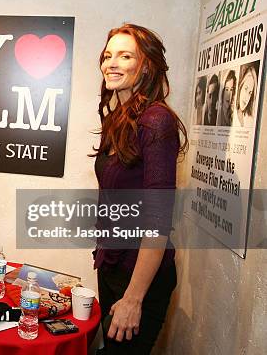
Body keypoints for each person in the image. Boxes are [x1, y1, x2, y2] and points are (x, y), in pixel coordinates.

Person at [92, 24, 187, 354]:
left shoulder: (156, 120)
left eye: (125, 55)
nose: (111, 63)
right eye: (108, 55)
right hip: (112, 264)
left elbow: (157, 220)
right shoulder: (119, 118)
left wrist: (134, 298)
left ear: (146, 65)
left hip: (139, 279)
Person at [235, 61, 259, 128]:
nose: (246, 97)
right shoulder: (232, 116)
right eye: (245, 89)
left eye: (250, 93)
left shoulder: (250, 120)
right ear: (240, 86)